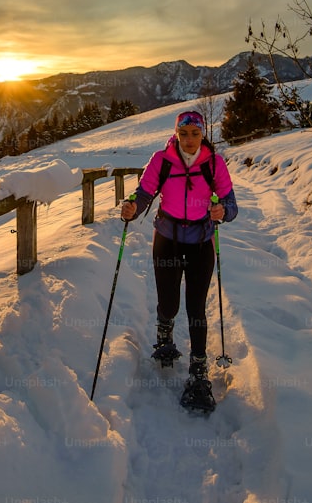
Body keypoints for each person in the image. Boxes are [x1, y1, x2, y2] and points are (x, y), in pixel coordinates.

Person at [120, 110, 238, 409]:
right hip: (167, 240)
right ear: (176, 133)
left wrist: (222, 211)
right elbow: (144, 192)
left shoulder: (214, 163)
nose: (189, 140)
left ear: (203, 134)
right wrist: (132, 206)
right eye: (183, 133)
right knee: (169, 301)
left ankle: (199, 370)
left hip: (200, 242)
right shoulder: (161, 160)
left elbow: (231, 204)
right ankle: (164, 332)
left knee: (196, 307)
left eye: (195, 134)